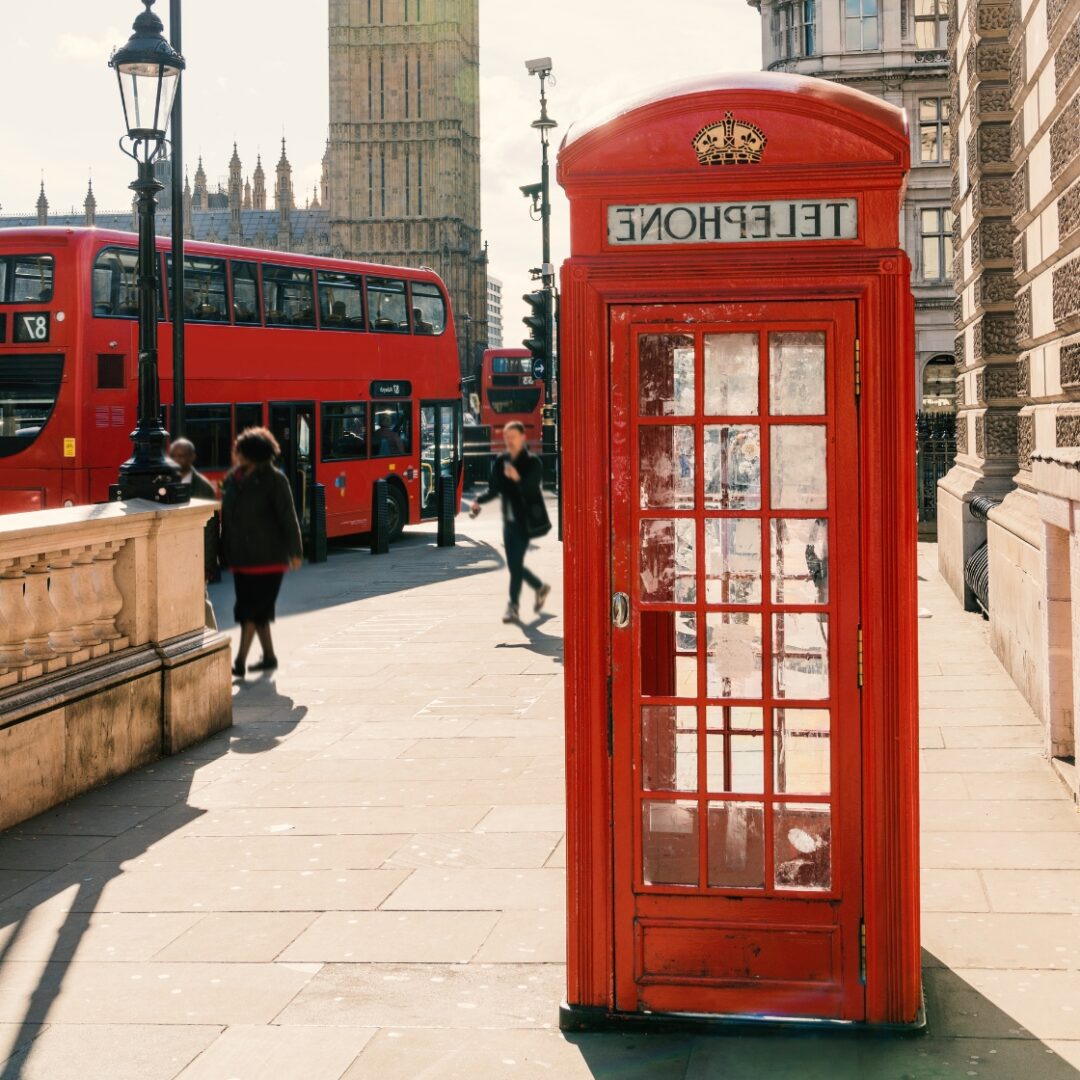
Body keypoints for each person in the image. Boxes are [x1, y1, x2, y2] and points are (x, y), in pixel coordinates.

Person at [219, 427, 303, 677]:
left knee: (251, 611)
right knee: (257, 610)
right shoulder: (234, 478)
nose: (235, 453)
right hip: (241, 558)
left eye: (239, 449)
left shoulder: (275, 479)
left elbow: (288, 516)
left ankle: (240, 661)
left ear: (252, 453)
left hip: (268, 558)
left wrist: (295, 551)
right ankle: (269, 657)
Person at [469, 420, 552, 623]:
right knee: (515, 565)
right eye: (506, 438)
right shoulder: (501, 461)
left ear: (523, 437)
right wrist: (478, 501)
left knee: (515, 565)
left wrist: (517, 478)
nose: (509, 441)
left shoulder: (533, 462)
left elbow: (531, 489)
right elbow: (494, 489)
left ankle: (513, 606)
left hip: (526, 521)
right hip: (508, 521)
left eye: (513, 437)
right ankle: (539, 587)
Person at [169, 437, 219, 627]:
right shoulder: (166, 482)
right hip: (174, 555)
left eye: (182, 456)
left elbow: (212, 528)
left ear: (192, 458)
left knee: (199, 600)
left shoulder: (203, 487)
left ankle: (214, 637)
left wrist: (207, 566)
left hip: (195, 557)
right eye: (174, 456)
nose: (177, 460)